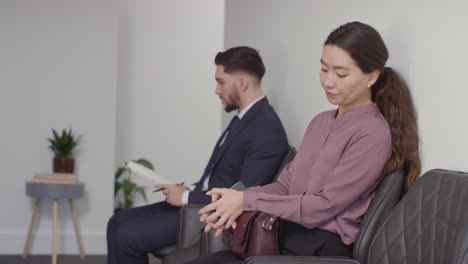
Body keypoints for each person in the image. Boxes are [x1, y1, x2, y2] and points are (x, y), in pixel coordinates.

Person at [189, 21, 421, 264]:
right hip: (283, 234)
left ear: (371, 77)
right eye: (324, 69)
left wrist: (246, 200)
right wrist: (233, 199)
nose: (328, 82)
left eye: (341, 74)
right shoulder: (320, 122)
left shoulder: (373, 133)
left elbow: (322, 206)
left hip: (320, 249)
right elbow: (285, 186)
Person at [106, 46, 289, 264]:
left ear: (242, 83)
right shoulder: (244, 119)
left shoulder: (266, 128)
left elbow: (244, 195)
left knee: (126, 236)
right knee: (116, 221)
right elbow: (221, 178)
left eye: (220, 82)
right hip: (200, 201)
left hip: (207, 214)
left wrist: (185, 197)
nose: (216, 90)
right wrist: (189, 190)